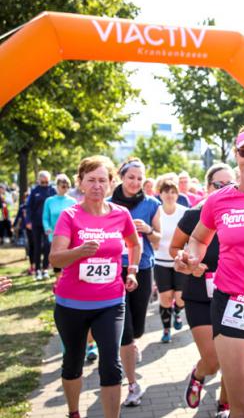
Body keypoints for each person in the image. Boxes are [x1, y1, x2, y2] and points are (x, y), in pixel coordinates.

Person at [176, 125, 244, 418]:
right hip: (232, 303)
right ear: (236, 155)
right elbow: (199, 238)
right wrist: (191, 258)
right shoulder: (219, 199)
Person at [49, 155, 141, 418]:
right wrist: (79, 251)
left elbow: (135, 243)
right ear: (80, 183)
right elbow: (55, 258)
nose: (97, 186)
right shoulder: (69, 215)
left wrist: (132, 270)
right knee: (73, 363)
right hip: (71, 304)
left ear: (112, 183)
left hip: (111, 302)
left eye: (103, 180)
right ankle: (74, 412)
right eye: (91, 180)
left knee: (111, 365)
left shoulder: (121, 214)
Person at [171, 163, 234, 415]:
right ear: (208, 187)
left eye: (229, 184)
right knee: (213, 359)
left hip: (233, 296)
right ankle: (198, 374)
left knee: (232, 360)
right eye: (219, 185)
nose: (224, 189)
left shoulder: (241, 215)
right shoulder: (193, 215)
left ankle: (224, 404)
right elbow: (174, 248)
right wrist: (188, 263)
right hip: (200, 296)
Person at [110, 158, 161, 407]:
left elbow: (160, 240)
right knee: (126, 333)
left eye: (140, 178)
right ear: (121, 177)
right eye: (131, 177)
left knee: (138, 328)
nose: (135, 182)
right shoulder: (108, 205)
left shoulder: (151, 204)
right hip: (114, 269)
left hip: (142, 268)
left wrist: (149, 230)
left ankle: (131, 346)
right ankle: (131, 384)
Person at [153, 178, 187, 343]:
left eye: (173, 192)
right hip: (160, 262)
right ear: (160, 194)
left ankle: (178, 312)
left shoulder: (184, 212)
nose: (170, 195)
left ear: (177, 194)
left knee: (180, 298)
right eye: (166, 191)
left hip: (179, 262)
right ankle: (166, 329)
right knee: (165, 298)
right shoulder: (156, 211)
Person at [43, 174, 78, 270]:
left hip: (70, 233)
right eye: (63, 186)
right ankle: (58, 280)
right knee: (57, 257)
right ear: (57, 186)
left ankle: (66, 277)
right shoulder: (49, 201)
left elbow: (76, 217)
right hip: (54, 233)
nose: (65, 188)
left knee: (68, 257)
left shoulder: (73, 201)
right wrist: (47, 228)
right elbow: (45, 217)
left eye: (68, 186)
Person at [28, 171, 56, 280]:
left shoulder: (52, 190)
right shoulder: (34, 191)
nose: (44, 184)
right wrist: (28, 221)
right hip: (36, 224)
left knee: (47, 246)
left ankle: (45, 269)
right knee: (37, 247)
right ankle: (37, 270)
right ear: (39, 180)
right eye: (42, 181)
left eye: (47, 181)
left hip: (49, 224)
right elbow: (29, 207)